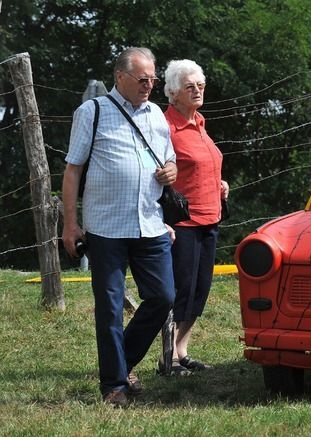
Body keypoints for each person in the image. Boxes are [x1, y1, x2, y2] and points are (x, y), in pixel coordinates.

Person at [62, 47, 178, 407]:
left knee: (163, 297)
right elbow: (72, 170)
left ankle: (122, 362)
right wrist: (70, 224)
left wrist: (171, 169)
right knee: (110, 307)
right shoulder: (92, 112)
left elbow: (168, 155)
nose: (149, 85)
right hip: (106, 227)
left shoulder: (157, 113)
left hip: (150, 223)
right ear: (120, 77)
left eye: (153, 79)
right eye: (142, 79)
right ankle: (114, 385)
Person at [161, 59, 228, 375]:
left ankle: (181, 351)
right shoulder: (166, 127)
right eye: (189, 86)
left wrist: (220, 183)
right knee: (181, 291)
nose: (197, 90)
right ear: (173, 93)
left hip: (209, 219)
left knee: (200, 291)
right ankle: (167, 358)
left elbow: (202, 166)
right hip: (182, 223)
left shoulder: (199, 122)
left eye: (200, 85)